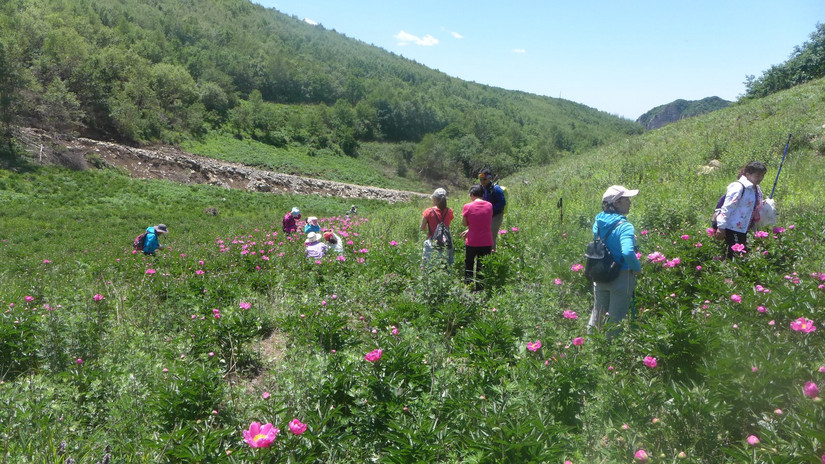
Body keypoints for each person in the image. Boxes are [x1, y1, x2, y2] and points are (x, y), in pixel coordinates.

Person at [588, 185, 642, 338]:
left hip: (601, 273)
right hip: (622, 276)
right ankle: (612, 356)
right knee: (615, 321)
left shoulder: (598, 222)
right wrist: (636, 268)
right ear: (616, 203)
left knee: (597, 316)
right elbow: (627, 251)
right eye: (626, 199)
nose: (630, 202)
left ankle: (591, 347)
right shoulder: (625, 227)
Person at [714, 161, 767, 259]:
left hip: (743, 228)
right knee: (734, 254)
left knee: (737, 254)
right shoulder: (738, 187)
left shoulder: (756, 189)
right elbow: (727, 207)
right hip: (731, 227)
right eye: (757, 176)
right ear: (747, 174)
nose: (760, 178)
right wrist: (721, 228)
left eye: (762, 176)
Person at [460, 185, 493, 291]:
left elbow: (465, 223)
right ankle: (481, 289)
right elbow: (484, 222)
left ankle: (468, 287)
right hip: (486, 241)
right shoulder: (489, 205)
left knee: (469, 264)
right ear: (482, 194)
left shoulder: (467, 206)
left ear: (472, 194)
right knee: (482, 266)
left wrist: (469, 228)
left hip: (472, 241)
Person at [420, 188, 455, 266]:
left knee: (428, 267)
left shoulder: (428, 211)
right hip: (446, 242)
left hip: (432, 242)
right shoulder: (449, 211)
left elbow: (422, 228)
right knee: (446, 267)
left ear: (434, 199)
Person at [479, 169, 506, 250]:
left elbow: (502, 203)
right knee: (485, 235)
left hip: (496, 216)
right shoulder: (484, 188)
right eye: (480, 179)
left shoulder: (496, 189)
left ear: (490, 178)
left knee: (491, 236)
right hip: (487, 216)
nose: (482, 181)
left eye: (484, 179)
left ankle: (492, 255)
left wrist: (490, 210)